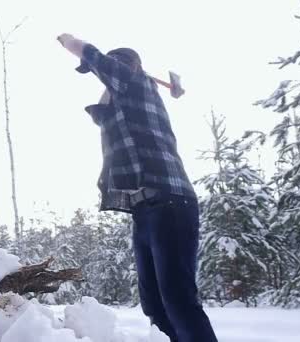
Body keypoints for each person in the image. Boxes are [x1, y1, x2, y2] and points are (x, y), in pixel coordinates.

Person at [57, 33, 218, 342]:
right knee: (155, 306)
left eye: (114, 69)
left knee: (179, 300)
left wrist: (72, 43)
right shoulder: (121, 104)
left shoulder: (137, 85)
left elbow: (101, 62)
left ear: (128, 67)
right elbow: (101, 115)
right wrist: (103, 84)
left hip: (170, 202)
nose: (107, 79)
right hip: (144, 212)